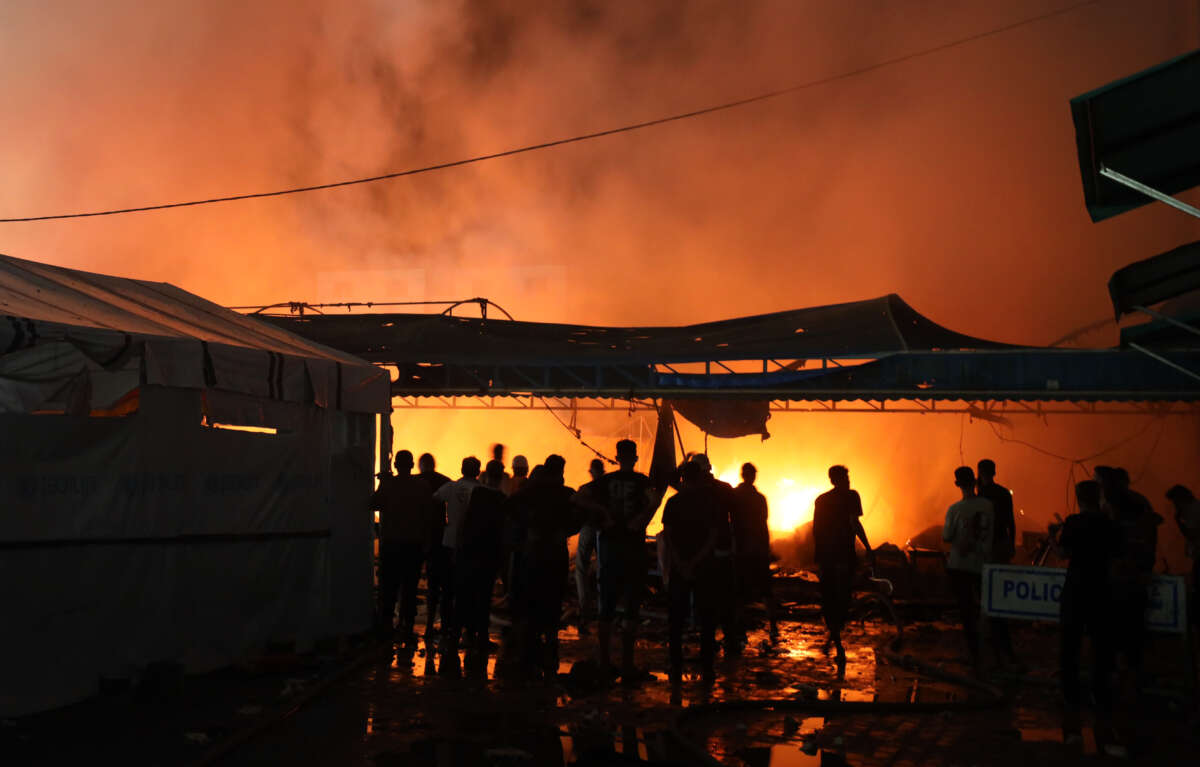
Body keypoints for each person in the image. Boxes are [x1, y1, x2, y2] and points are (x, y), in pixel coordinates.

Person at [1056, 480, 1123, 754]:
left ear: (1078, 498)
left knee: (1070, 646)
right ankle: (1100, 695)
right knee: (1101, 646)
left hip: (1076, 591)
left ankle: (1071, 698)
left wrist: (1054, 537)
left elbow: (1062, 553)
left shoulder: (1073, 522)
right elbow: (1117, 555)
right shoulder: (1109, 525)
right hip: (1101, 591)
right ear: (1098, 497)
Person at [591, 440, 661, 684]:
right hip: (632, 551)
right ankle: (627, 665)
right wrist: (641, 519)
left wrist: (604, 516)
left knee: (607, 607)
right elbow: (655, 500)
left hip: (611, 551)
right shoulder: (642, 482)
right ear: (634, 457)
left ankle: (604, 662)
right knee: (631, 606)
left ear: (617, 456)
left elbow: (579, 497)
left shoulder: (605, 482)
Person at [506, 454, 580, 679]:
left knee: (531, 598)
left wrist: (527, 530)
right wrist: (565, 531)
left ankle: (530, 650)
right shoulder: (566, 494)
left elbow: (510, 507)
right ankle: (550, 645)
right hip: (555, 553)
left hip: (534, 553)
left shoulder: (530, 492)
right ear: (560, 472)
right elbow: (582, 515)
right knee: (553, 599)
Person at [662, 461, 722, 684]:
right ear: (700, 478)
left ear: (683, 479)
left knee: (676, 618)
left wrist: (680, 562)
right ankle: (707, 666)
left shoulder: (673, 502)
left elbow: (667, 536)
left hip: (680, 567)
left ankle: (675, 663)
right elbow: (714, 535)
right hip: (705, 566)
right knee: (707, 618)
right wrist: (698, 560)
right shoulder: (711, 502)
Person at [1101, 466, 1162, 681]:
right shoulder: (1139, 505)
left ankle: (1122, 673)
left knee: (1119, 629)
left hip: (1120, 581)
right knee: (1132, 629)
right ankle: (1132, 673)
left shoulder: (1117, 507)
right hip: (1132, 580)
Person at [369, 450, 433, 646]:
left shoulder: (389, 484)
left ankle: (385, 628)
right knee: (410, 589)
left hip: (391, 546)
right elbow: (428, 515)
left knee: (388, 589)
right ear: (412, 465)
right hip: (413, 546)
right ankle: (407, 627)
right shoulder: (421, 486)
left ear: (396, 466)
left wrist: (384, 482)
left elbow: (373, 504)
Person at [452, 460, 509, 677]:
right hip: (488, 556)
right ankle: (481, 639)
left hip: (469, 553)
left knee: (464, 596)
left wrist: (459, 548)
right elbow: (503, 533)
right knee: (483, 599)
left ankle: (457, 637)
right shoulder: (502, 500)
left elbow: (464, 523)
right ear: (500, 476)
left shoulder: (477, 495)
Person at [813, 465, 873, 665]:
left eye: (848, 476)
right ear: (835, 480)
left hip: (830, 557)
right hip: (842, 556)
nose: (848, 479)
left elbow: (816, 531)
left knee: (831, 597)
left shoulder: (822, 500)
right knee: (842, 596)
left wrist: (818, 558)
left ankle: (835, 636)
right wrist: (868, 547)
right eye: (845, 477)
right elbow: (854, 524)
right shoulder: (851, 496)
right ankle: (836, 638)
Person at [942, 466, 994, 673]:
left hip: (959, 565)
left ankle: (974, 653)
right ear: (974, 482)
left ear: (957, 484)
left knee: (966, 610)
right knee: (984, 606)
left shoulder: (955, 509)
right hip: (982, 564)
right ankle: (988, 650)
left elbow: (946, 537)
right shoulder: (989, 506)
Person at [431, 457, 482, 650]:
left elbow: (434, 499)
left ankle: (447, 631)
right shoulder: (481, 491)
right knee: (469, 589)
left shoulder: (450, 487)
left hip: (449, 542)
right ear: (477, 471)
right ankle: (469, 632)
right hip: (471, 546)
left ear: (461, 469)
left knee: (448, 589)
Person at [977, 459, 1018, 666]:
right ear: (994, 472)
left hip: (988, 546)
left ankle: (989, 632)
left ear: (980, 472)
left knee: (987, 588)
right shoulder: (1003, 493)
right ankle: (999, 624)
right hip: (1001, 543)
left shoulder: (982, 496)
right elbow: (1011, 520)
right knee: (999, 586)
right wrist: (1011, 544)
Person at [732, 462, 777, 641]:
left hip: (742, 550)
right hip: (757, 550)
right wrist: (766, 548)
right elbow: (763, 524)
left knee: (740, 592)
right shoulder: (760, 498)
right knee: (766, 590)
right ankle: (773, 625)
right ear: (753, 476)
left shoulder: (735, 496)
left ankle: (739, 628)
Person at [417, 453, 451, 639]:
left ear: (420, 465)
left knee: (412, 582)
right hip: (440, 538)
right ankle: (442, 625)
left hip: (417, 536)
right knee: (442, 584)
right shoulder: (446, 482)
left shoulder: (415, 482)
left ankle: (412, 624)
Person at [573, 459, 606, 635]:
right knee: (603, 569)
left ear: (592, 472)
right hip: (605, 531)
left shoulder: (586, 489)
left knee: (580, 569)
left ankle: (584, 610)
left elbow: (575, 503)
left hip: (588, 528)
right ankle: (603, 609)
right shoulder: (608, 488)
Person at [1165, 485, 1200, 632]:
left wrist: (1178, 521)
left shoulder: (1193, 511)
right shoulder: (1194, 508)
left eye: (1175, 502)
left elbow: (1191, 535)